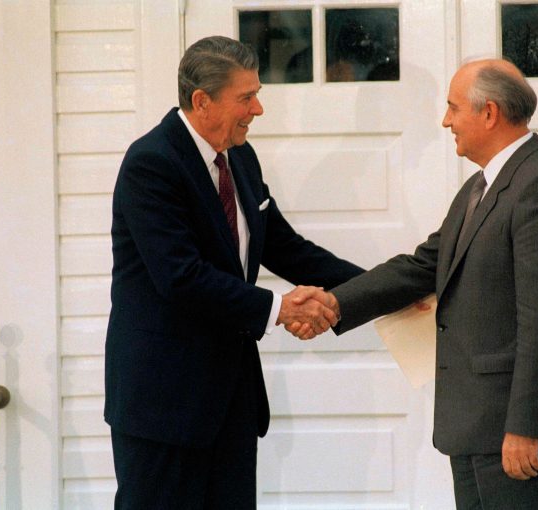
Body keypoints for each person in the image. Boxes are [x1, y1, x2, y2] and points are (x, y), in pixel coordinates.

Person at [293, 59, 538, 509]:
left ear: (489, 113)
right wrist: (336, 303)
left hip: (514, 429)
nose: (445, 121)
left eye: (454, 108)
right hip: (476, 423)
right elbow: (423, 266)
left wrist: (526, 426)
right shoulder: (482, 186)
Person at [104, 35, 363, 509]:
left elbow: (284, 247)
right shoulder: (151, 164)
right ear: (202, 101)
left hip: (231, 402)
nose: (258, 109)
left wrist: (377, 288)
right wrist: (282, 309)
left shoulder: (240, 156)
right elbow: (181, 277)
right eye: (246, 97)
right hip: (164, 405)